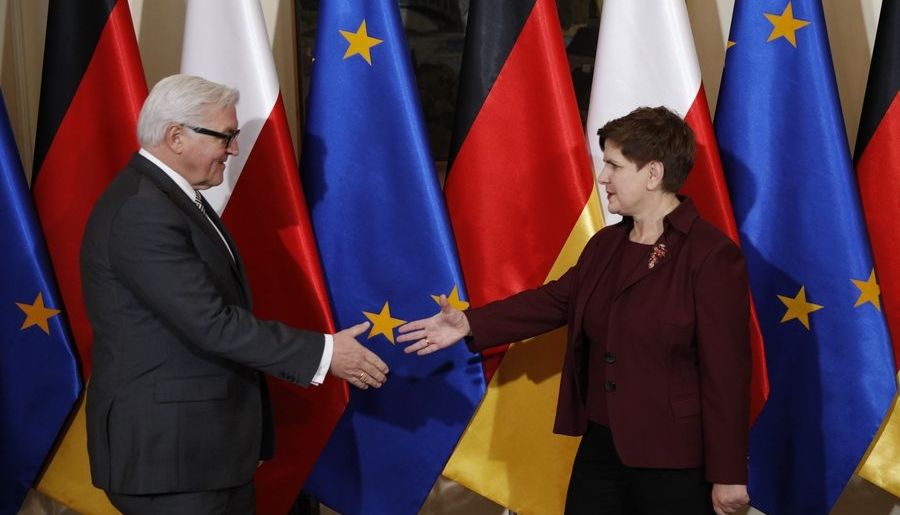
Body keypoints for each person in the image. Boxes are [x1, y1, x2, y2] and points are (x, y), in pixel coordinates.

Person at [398, 106, 751, 515]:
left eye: (614, 166)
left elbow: (726, 374)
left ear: (653, 174)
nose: (602, 177)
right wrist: (469, 322)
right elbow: (555, 301)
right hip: (600, 447)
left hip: (674, 461)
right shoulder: (605, 245)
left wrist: (728, 472)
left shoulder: (711, 256)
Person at [81, 74, 389, 514]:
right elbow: (210, 323)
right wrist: (325, 354)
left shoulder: (171, 199)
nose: (234, 150)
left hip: (200, 454)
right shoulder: (143, 210)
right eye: (225, 136)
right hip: (172, 461)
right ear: (176, 137)